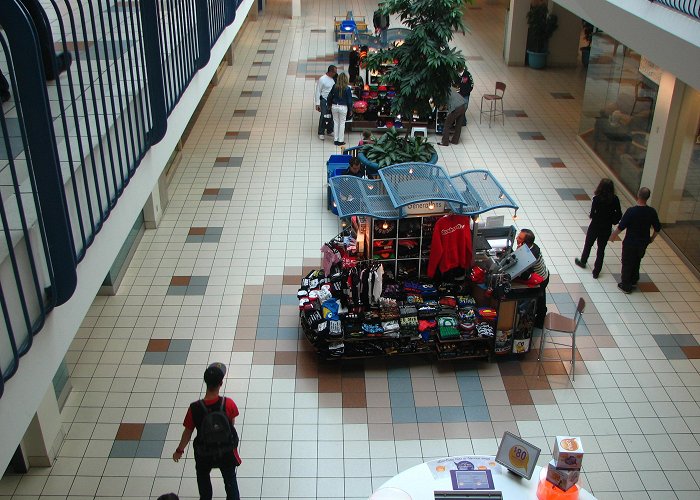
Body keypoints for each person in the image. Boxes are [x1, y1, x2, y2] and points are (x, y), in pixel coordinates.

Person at [173, 363, 241, 500]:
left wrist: (179, 450)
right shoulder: (228, 404)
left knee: (203, 481)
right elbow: (231, 425)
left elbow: (188, 432)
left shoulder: (194, 408)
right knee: (230, 481)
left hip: (204, 453)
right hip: (226, 451)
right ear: (221, 383)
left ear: (205, 382)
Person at [609, 187, 661, 294]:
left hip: (630, 242)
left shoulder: (631, 211)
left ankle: (626, 285)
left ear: (638, 195)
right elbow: (657, 228)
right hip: (643, 242)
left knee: (627, 263)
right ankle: (633, 280)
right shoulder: (651, 212)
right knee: (637, 261)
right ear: (648, 197)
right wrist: (651, 238)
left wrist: (613, 236)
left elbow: (621, 226)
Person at [574, 178, 622, 279]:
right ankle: (596, 271)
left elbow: (592, 213)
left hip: (595, 225)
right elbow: (619, 214)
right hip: (606, 227)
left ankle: (583, 261)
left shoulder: (596, 198)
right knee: (601, 249)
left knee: (588, 244)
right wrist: (613, 220)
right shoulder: (615, 199)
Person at [517, 229, 549, 328]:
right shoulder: (529, 247)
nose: (516, 239)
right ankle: (540, 317)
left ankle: (534, 321)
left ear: (525, 242)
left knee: (534, 299)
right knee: (541, 299)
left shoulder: (531, 255)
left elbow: (524, 273)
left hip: (541, 280)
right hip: (542, 275)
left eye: (519, 238)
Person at [327, 72, 353, 146]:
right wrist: (350, 109)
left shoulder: (334, 86)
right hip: (343, 107)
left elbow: (329, 96)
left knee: (335, 123)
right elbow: (349, 100)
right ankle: (340, 140)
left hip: (334, 106)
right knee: (342, 123)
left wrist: (329, 105)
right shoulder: (347, 88)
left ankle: (335, 140)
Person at [315, 65, 337, 140]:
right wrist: (317, 103)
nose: (335, 73)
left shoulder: (334, 78)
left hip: (332, 100)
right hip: (324, 99)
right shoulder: (322, 79)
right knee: (324, 116)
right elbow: (318, 91)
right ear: (330, 71)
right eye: (334, 72)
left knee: (332, 115)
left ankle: (330, 130)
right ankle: (321, 132)